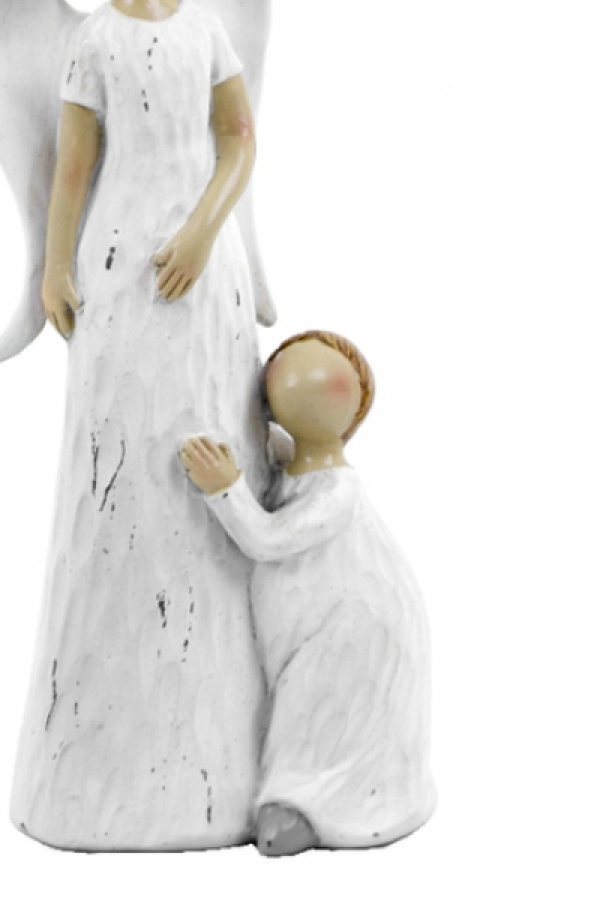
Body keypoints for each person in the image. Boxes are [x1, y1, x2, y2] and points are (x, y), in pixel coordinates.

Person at [10, 0, 267, 851]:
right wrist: (52, 266)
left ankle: (221, 748)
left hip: (204, 278)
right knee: (122, 476)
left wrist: (206, 228)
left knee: (207, 449)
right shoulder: (92, 42)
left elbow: (240, 139)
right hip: (119, 272)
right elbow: (72, 168)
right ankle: (106, 750)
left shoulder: (205, 25)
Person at [181, 331, 437, 856]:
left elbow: (267, 539)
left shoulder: (338, 490)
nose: (305, 382)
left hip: (351, 630)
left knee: (322, 711)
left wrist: (224, 488)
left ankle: (311, 804)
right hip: (309, 632)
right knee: (302, 706)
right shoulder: (287, 462)